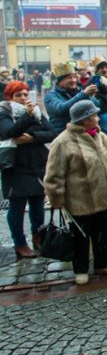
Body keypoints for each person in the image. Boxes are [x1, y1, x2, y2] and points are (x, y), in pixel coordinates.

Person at [44, 100, 107, 285]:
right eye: (95, 115)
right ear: (84, 120)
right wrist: (56, 199)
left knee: (102, 233)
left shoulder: (101, 136)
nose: (98, 117)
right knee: (80, 237)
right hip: (79, 201)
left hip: (104, 197)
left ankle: (102, 263)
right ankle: (80, 269)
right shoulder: (63, 142)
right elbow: (54, 174)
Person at [0, 81, 56, 258]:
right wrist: (28, 117)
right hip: (16, 167)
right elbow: (11, 132)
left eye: (25, 94)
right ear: (10, 97)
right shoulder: (4, 113)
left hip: (37, 165)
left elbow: (51, 133)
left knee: (38, 205)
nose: (23, 98)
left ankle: (37, 236)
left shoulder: (36, 112)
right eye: (19, 95)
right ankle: (20, 243)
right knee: (17, 206)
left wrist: (32, 138)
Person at [45, 62, 97, 134]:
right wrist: (84, 94)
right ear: (60, 81)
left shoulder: (79, 91)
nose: (73, 80)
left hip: (81, 133)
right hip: (62, 136)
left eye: (74, 77)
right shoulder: (51, 96)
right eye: (69, 78)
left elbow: (95, 106)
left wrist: (92, 95)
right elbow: (61, 109)